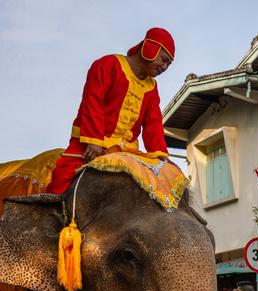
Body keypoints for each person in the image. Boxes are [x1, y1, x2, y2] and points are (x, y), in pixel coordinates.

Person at [47, 27, 175, 194]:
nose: (165, 67)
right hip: (88, 144)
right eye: (163, 60)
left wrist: (159, 154)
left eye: (168, 64)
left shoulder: (152, 87)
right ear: (150, 48)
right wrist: (94, 141)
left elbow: (153, 122)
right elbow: (92, 100)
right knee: (61, 184)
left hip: (126, 150)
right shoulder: (108, 64)